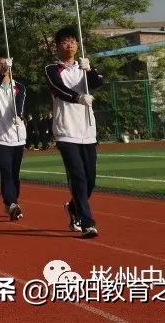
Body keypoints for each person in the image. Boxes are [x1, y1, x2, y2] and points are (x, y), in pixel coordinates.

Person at [46, 26, 104, 238]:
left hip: (87, 129)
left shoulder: (84, 66)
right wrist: (78, 98)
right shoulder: (52, 69)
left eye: (72, 41)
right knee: (78, 176)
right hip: (66, 130)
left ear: (77, 45)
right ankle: (88, 222)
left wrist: (90, 71)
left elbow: (99, 82)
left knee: (90, 179)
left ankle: (73, 207)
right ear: (58, 46)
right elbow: (58, 89)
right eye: (64, 41)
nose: (69, 44)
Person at [0, 53, 27, 221]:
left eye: (6, 64)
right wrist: (1, 74)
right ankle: (12, 203)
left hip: (18, 135)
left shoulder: (19, 87)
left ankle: (11, 203)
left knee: (14, 173)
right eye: (0, 65)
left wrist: (19, 115)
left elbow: (21, 102)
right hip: (0, 136)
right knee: (6, 171)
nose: (4, 67)